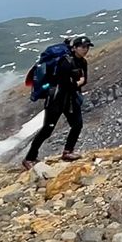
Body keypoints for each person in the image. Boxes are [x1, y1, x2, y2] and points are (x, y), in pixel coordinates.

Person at [23, 35, 92, 169]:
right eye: (83, 47)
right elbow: (67, 83)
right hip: (56, 98)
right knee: (47, 129)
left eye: (87, 47)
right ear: (75, 48)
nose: (86, 50)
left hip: (70, 98)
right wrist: (78, 82)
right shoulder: (65, 62)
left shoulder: (82, 62)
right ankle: (29, 158)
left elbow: (83, 80)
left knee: (77, 124)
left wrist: (77, 83)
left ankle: (68, 152)